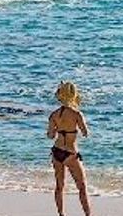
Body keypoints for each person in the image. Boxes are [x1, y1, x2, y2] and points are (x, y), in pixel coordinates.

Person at [47, 81, 92, 216]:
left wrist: (58, 129)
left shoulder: (54, 115)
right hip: (71, 153)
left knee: (59, 186)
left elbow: (50, 135)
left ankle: (61, 214)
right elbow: (85, 133)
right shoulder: (77, 114)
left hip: (57, 151)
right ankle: (88, 214)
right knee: (82, 187)